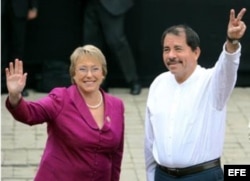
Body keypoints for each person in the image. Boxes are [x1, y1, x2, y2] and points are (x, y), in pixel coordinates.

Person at [144, 8, 247, 181]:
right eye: (166, 49)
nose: (171, 55)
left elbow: (228, 67)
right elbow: (149, 140)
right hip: (163, 176)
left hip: (202, 176)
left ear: (196, 52)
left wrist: (232, 42)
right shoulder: (158, 84)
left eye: (178, 49)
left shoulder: (212, 82)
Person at [5, 45, 125, 181]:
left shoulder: (117, 105)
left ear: (103, 73)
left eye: (95, 69)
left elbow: (116, 155)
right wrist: (15, 95)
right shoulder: (60, 99)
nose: (89, 75)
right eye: (82, 69)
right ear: (73, 74)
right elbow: (29, 114)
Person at [82, 0, 142, 95]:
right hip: (91, 4)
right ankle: (99, 82)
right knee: (91, 45)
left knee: (117, 42)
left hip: (113, 3)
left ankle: (133, 80)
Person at [1, 0, 39, 96]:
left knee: (18, 47)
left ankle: (17, 84)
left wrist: (34, 6)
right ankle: (1, 82)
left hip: (20, 5)